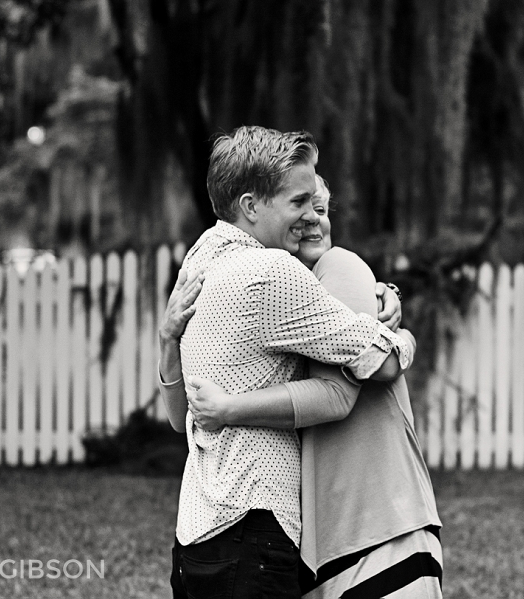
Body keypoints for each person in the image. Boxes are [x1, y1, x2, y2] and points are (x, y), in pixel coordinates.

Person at [161, 176, 443, 598]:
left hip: (379, 524)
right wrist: (169, 337)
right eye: (301, 207)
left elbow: (350, 388)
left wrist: (402, 338)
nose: (312, 220)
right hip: (327, 536)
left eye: (322, 210)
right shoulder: (273, 295)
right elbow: (179, 418)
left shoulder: (338, 267)